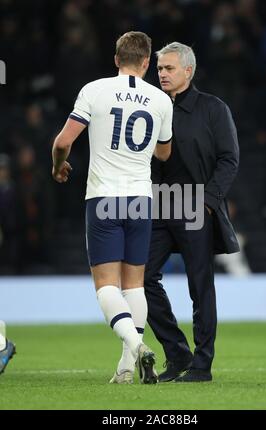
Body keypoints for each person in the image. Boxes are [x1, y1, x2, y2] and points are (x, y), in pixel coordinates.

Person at [51, 31, 173, 384]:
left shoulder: (94, 90)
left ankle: (137, 347)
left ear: (116, 59)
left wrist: (58, 166)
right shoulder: (160, 100)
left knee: (106, 285)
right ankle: (125, 366)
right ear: (147, 62)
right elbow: (164, 152)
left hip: (104, 197)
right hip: (139, 198)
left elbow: (63, 142)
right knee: (134, 285)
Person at [144, 42, 240, 382]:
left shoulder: (213, 108)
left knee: (200, 285)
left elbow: (230, 159)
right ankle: (177, 352)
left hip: (195, 205)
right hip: (158, 204)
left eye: (169, 68)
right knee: (141, 279)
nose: (163, 74)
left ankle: (202, 365)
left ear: (188, 71)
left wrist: (209, 201)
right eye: (159, 69)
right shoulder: (151, 107)